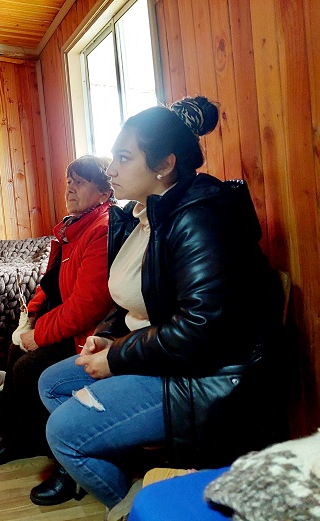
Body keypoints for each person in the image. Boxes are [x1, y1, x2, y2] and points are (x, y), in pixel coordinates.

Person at [34, 96, 285, 516]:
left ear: (164, 165)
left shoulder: (197, 217)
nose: (110, 169)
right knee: (51, 383)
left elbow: (203, 328)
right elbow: (139, 294)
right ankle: (120, 463)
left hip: (206, 376)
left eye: (123, 157)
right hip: (165, 352)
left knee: (63, 433)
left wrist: (117, 356)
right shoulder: (147, 214)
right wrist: (108, 334)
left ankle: (136, 508)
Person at [0, 155, 114, 472]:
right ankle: (14, 429)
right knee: (14, 349)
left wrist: (38, 335)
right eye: (69, 180)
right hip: (68, 321)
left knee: (28, 367)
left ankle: (33, 440)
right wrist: (33, 313)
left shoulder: (101, 231)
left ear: (104, 193)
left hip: (89, 334)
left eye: (80, 181)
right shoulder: (72, 230)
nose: (70, 187)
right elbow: (50, 283)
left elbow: (86, 307)